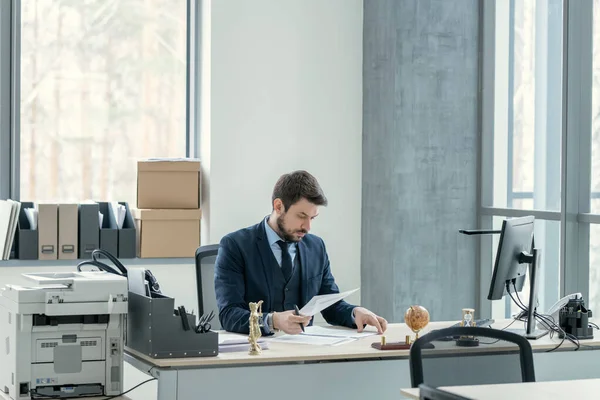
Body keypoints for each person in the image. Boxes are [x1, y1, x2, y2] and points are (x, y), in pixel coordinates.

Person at [214, 170, 388, 335]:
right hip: (255, 355)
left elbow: (330, 304)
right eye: (301, 216)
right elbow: (229, 314)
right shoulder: (235, 245)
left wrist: (355, 312)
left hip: (304, 354)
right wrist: (273, 320)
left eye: (312, 218)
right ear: (278, 206)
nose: (307, 227)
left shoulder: (316, 247)